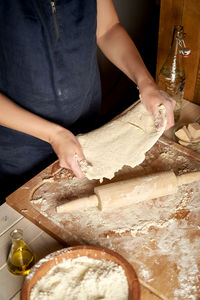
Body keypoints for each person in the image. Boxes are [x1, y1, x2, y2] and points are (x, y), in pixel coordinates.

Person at [0, 0, 175, 203]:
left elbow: (107, 29)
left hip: (87, 126)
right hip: (20, 148)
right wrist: (54, 135)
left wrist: (146, 83)